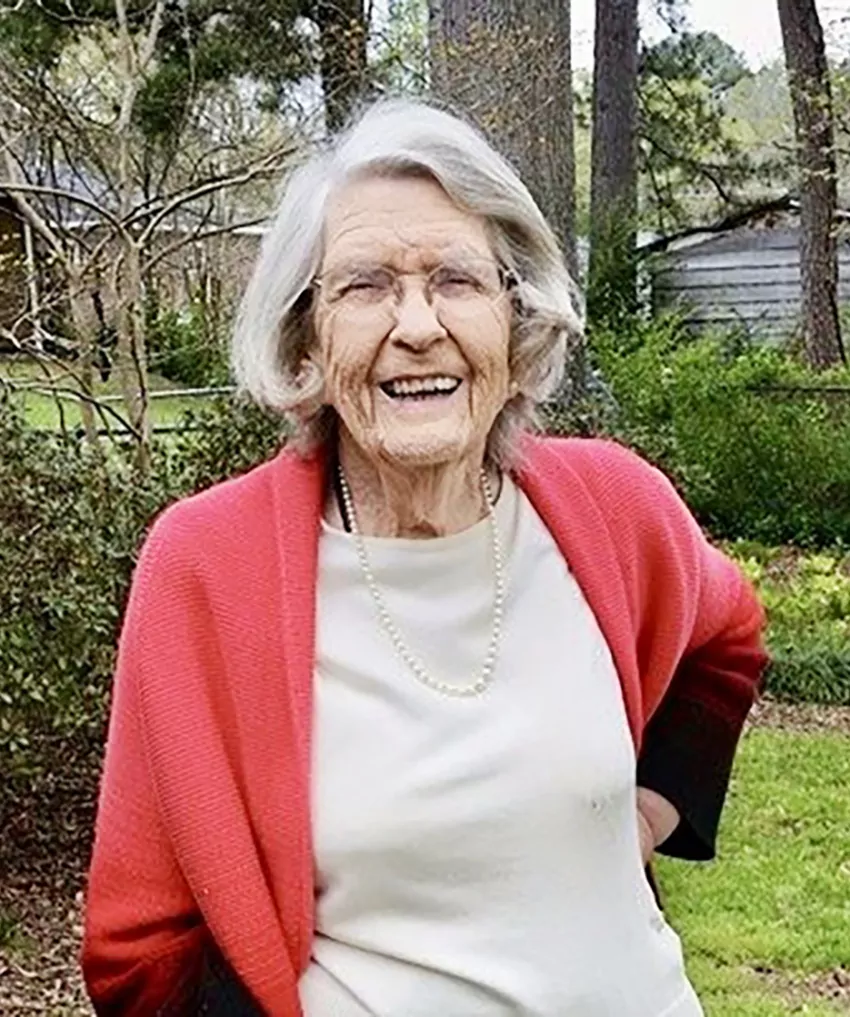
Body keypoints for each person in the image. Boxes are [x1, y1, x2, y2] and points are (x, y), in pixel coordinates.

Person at [82, 99, 768, 1017]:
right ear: (306, 339)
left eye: (456, 280)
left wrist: (649, 810)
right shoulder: (207, 568)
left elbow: (726, 635)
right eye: (365, 286)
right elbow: (139, 949)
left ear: (516, 318)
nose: (417, 324)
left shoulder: (614, 504)